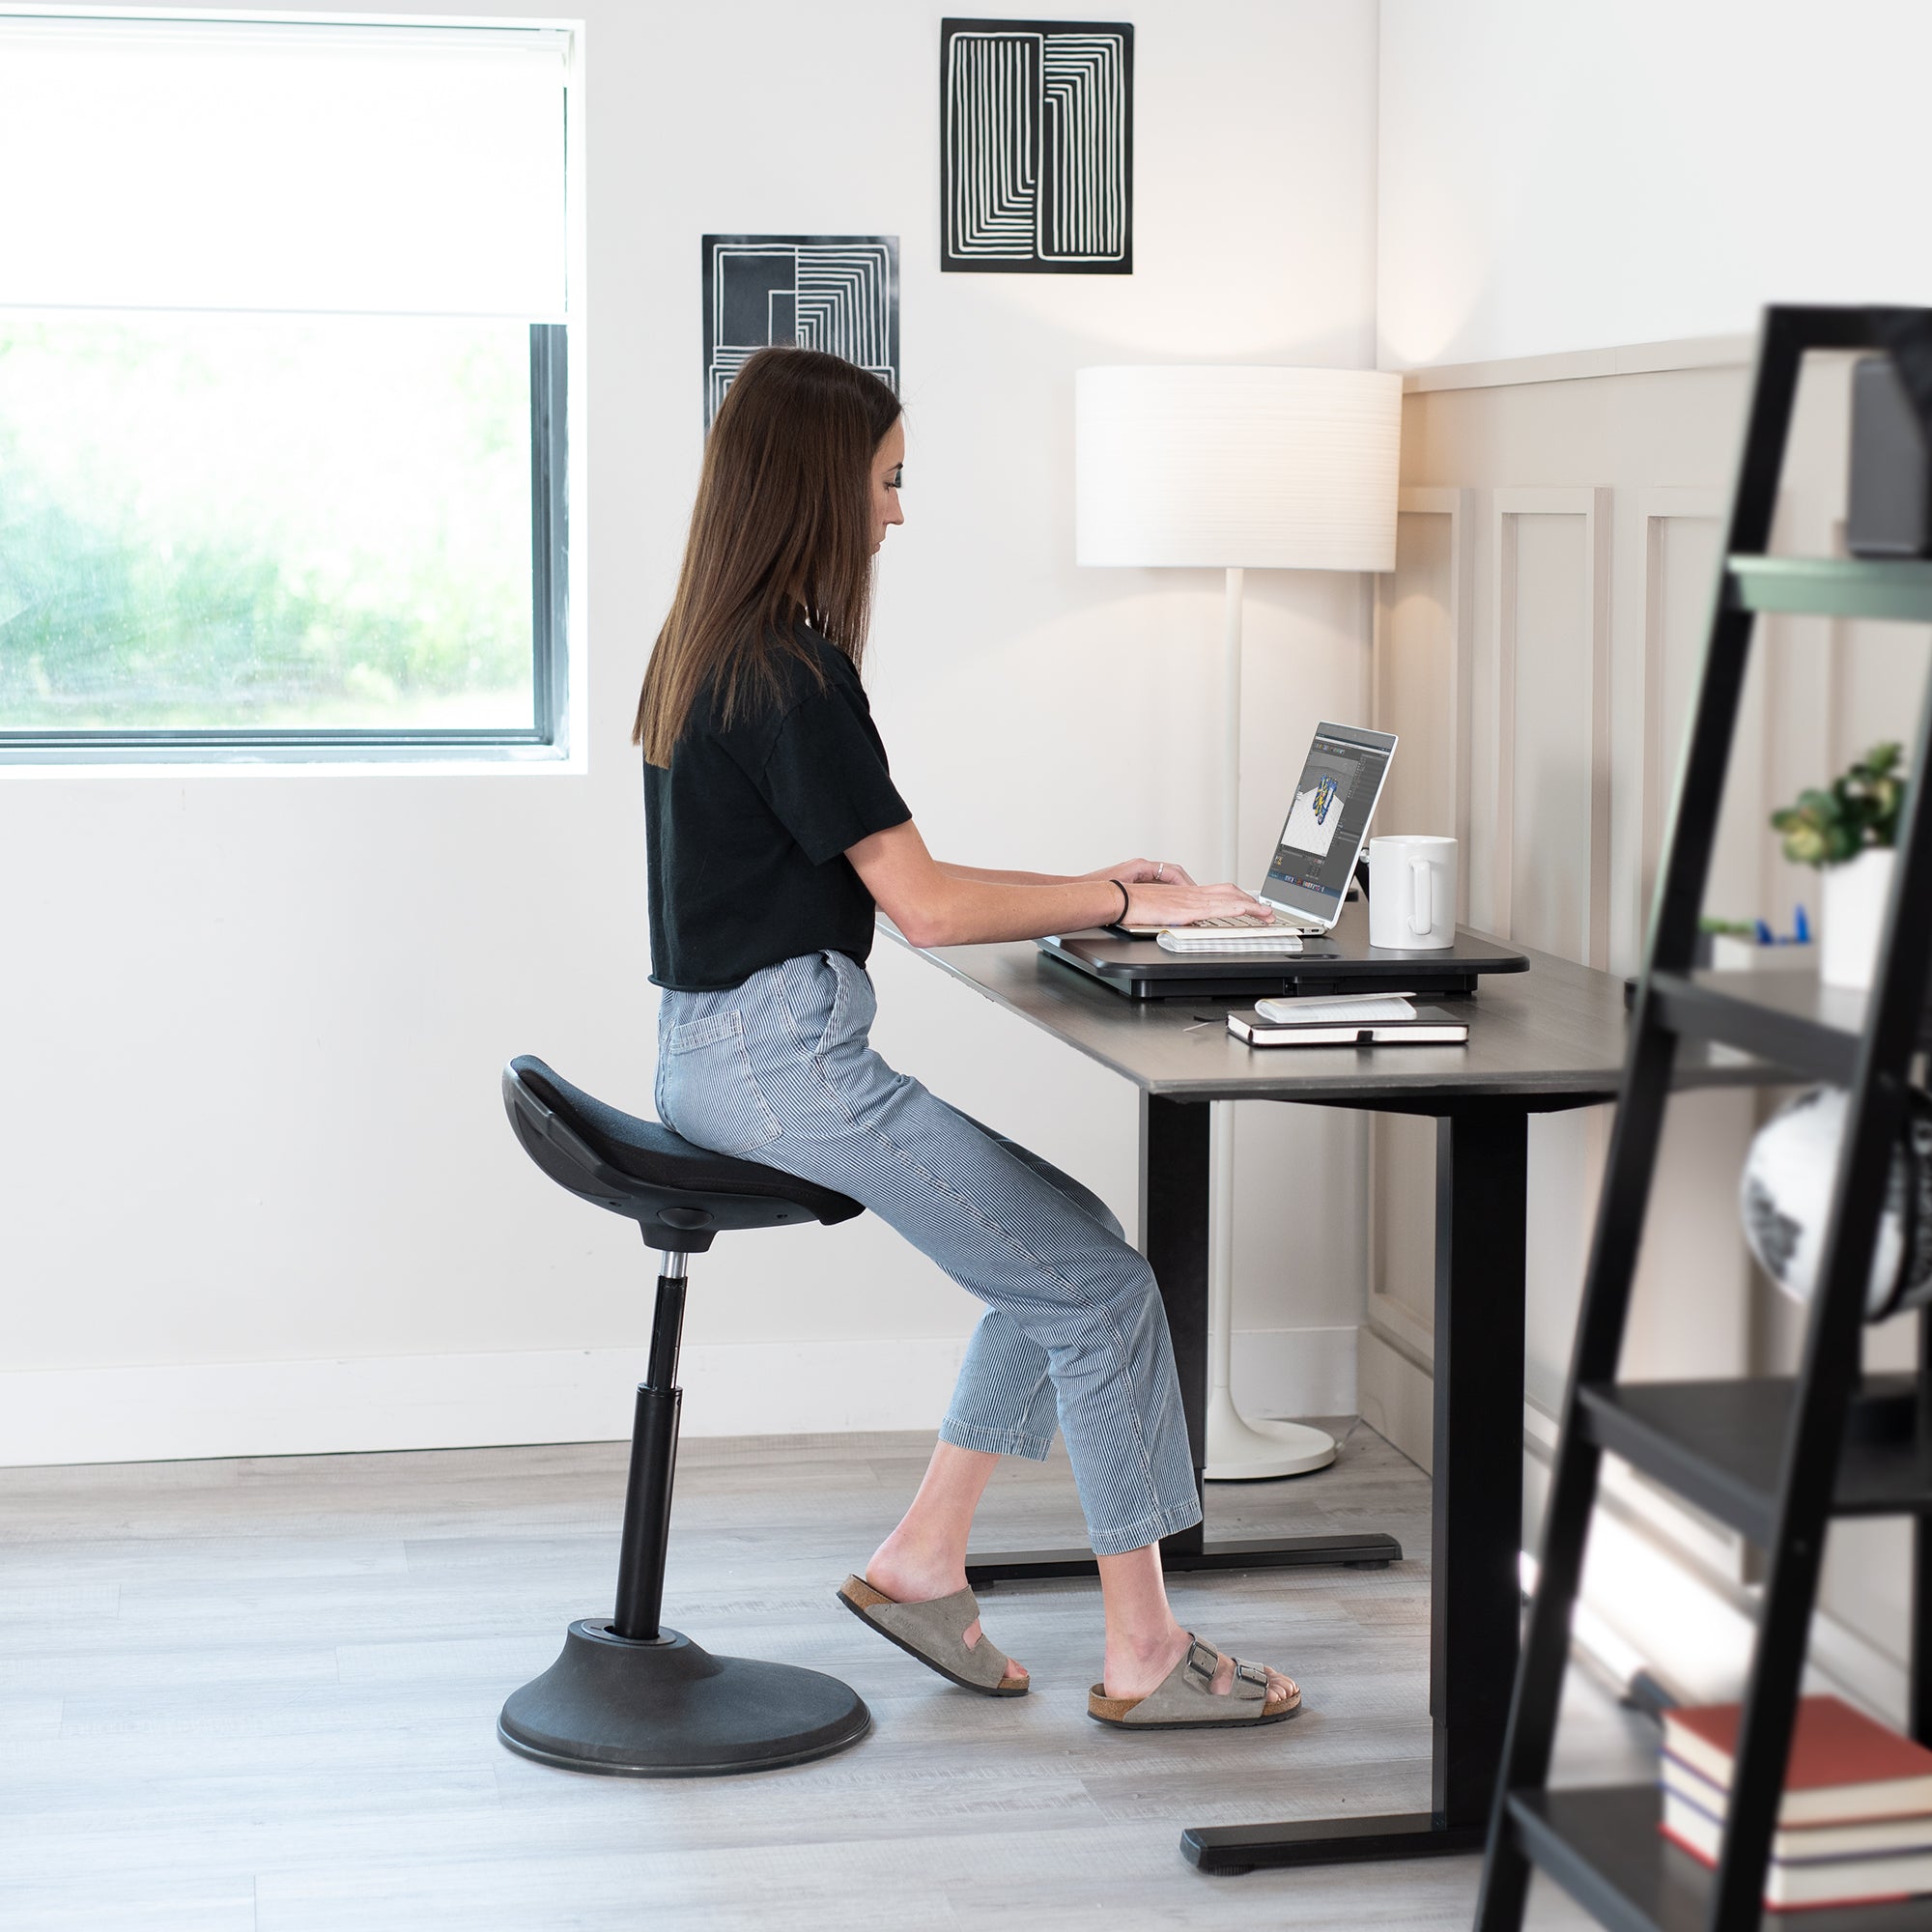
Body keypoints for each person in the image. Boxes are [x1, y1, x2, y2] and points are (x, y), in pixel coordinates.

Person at [635, 345, 1299, 1731]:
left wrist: (1111, 897)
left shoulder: (716, 647)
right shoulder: (791, 674)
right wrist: (1128, 898)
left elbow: (899, 897)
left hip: (725, 1054)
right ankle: (1148, 1653)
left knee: (1055, 1248)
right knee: (1103, 1288)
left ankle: (923, 1559)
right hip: (785, 1068)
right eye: (885, 481)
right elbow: (927, 908)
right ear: (822, 485)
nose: (896, 513)